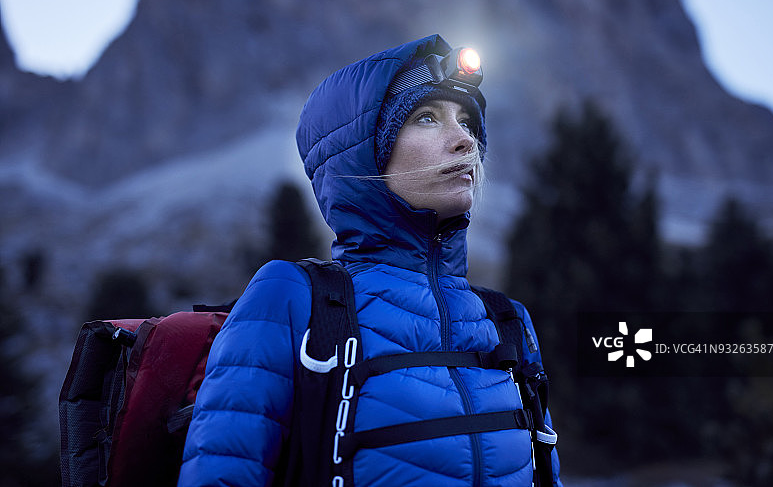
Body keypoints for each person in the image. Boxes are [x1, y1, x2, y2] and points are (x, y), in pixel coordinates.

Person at [178, 34, 562, 486]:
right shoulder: (291, 298)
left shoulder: (507, 322)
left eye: (466, 121)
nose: (465, 141)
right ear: (362, 152)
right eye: (426, 118)